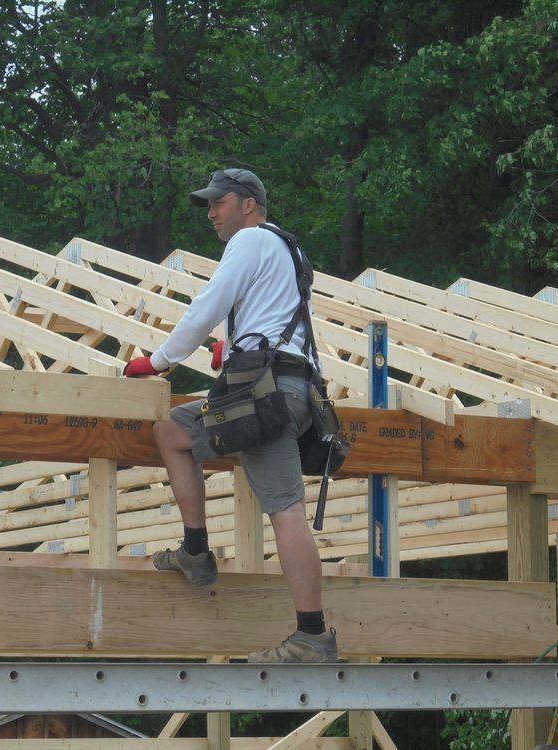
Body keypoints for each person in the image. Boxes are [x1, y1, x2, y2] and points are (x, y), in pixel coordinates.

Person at [123, 168, 338, 663]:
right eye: (209, 204)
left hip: (264, 396)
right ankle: (195, 550)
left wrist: (159, 361)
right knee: (172, 431)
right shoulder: (289, 249)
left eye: (219, 202)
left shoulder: (250, 240)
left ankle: (312, 636)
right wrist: (235, 346)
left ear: (248, 204)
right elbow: (279, 316)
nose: (211, 213)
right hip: (294, 388)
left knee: (286, 511)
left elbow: (208, 304)